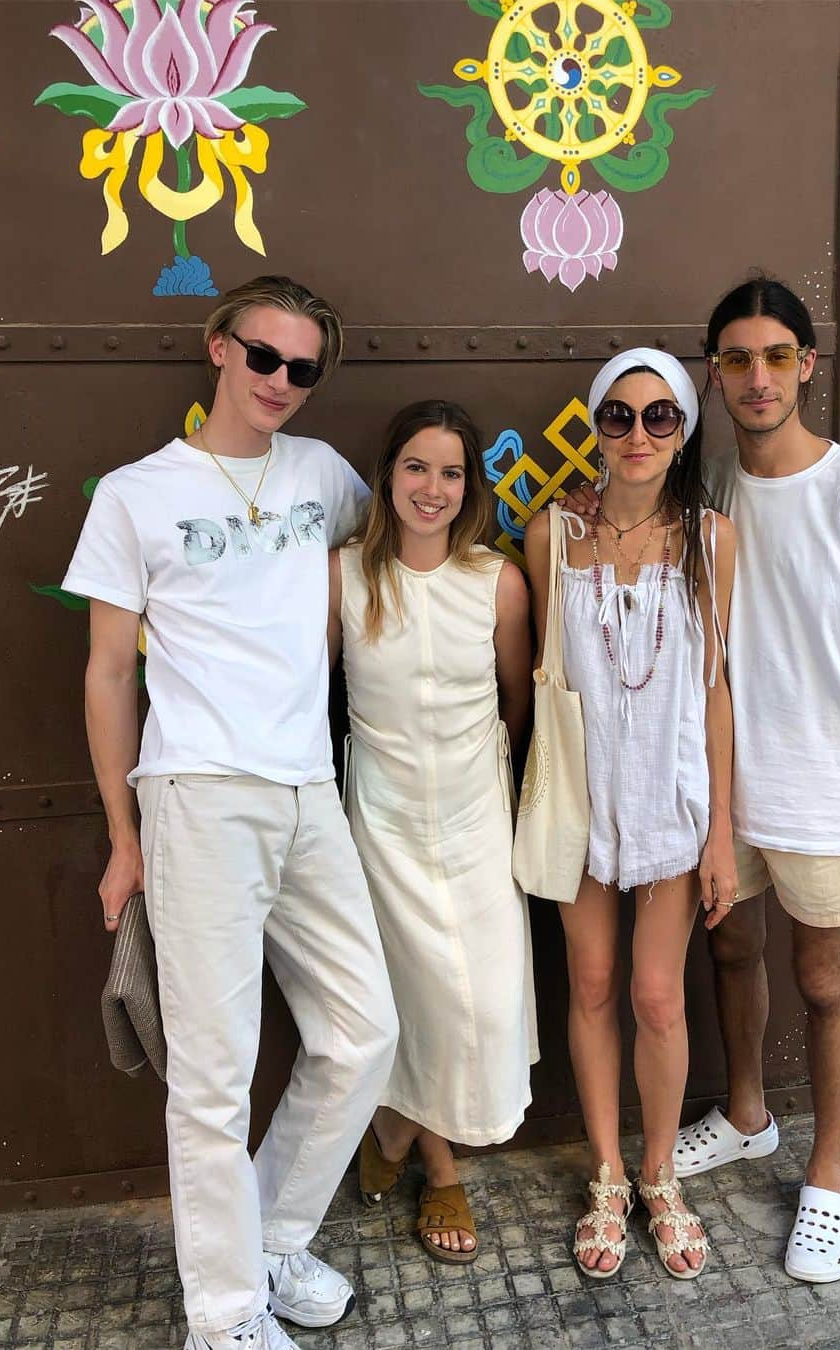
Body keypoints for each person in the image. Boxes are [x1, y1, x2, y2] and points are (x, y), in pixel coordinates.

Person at [63, 275, 399, 1350]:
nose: (282, 384)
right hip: (198, 792)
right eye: (264, 357)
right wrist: (125, 836)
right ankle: (223, 1316)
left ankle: (270, 1238)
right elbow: (110, 674)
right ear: (219, 347)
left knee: (362, 1031)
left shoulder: (327, 475)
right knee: (212, 1076)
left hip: (308, 787)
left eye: (304, 368)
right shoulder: (136, 494)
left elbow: (406, 543)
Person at [669, 277, 840, 1284]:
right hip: (726, 776)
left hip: (824, 783)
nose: (757, 376)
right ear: (715, 373)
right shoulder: (711, 489)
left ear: (808, 365)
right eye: (736, 358)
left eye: (776, 355)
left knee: (825, 980)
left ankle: (828, 1174)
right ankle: (746, 1114)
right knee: (732, 953)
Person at [523, 349, 738, 1282]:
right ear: (596, 428)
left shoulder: (710, 539)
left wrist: (722, 832)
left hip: (671, 796)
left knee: (658, 994)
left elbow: (717, 686)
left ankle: (661, 1176)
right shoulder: (552, 535)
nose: (638, 435)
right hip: (580, 795)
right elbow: (539, 677)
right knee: (596, 983)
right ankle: (606, 1173)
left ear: (684, 429)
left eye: (659, 417)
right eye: (618, 416)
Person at [327, 399, 538, 1264]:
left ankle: (395, 1126)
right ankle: (440, 1167)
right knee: (405, 995)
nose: (433, 488)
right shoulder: (342, 575)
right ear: (388, 475)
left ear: (470, 486)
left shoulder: (499, 579)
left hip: (476, 813)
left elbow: (519, 704)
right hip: (378, 816)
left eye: (452, 472)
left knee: (479, 999)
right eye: (417, 467)